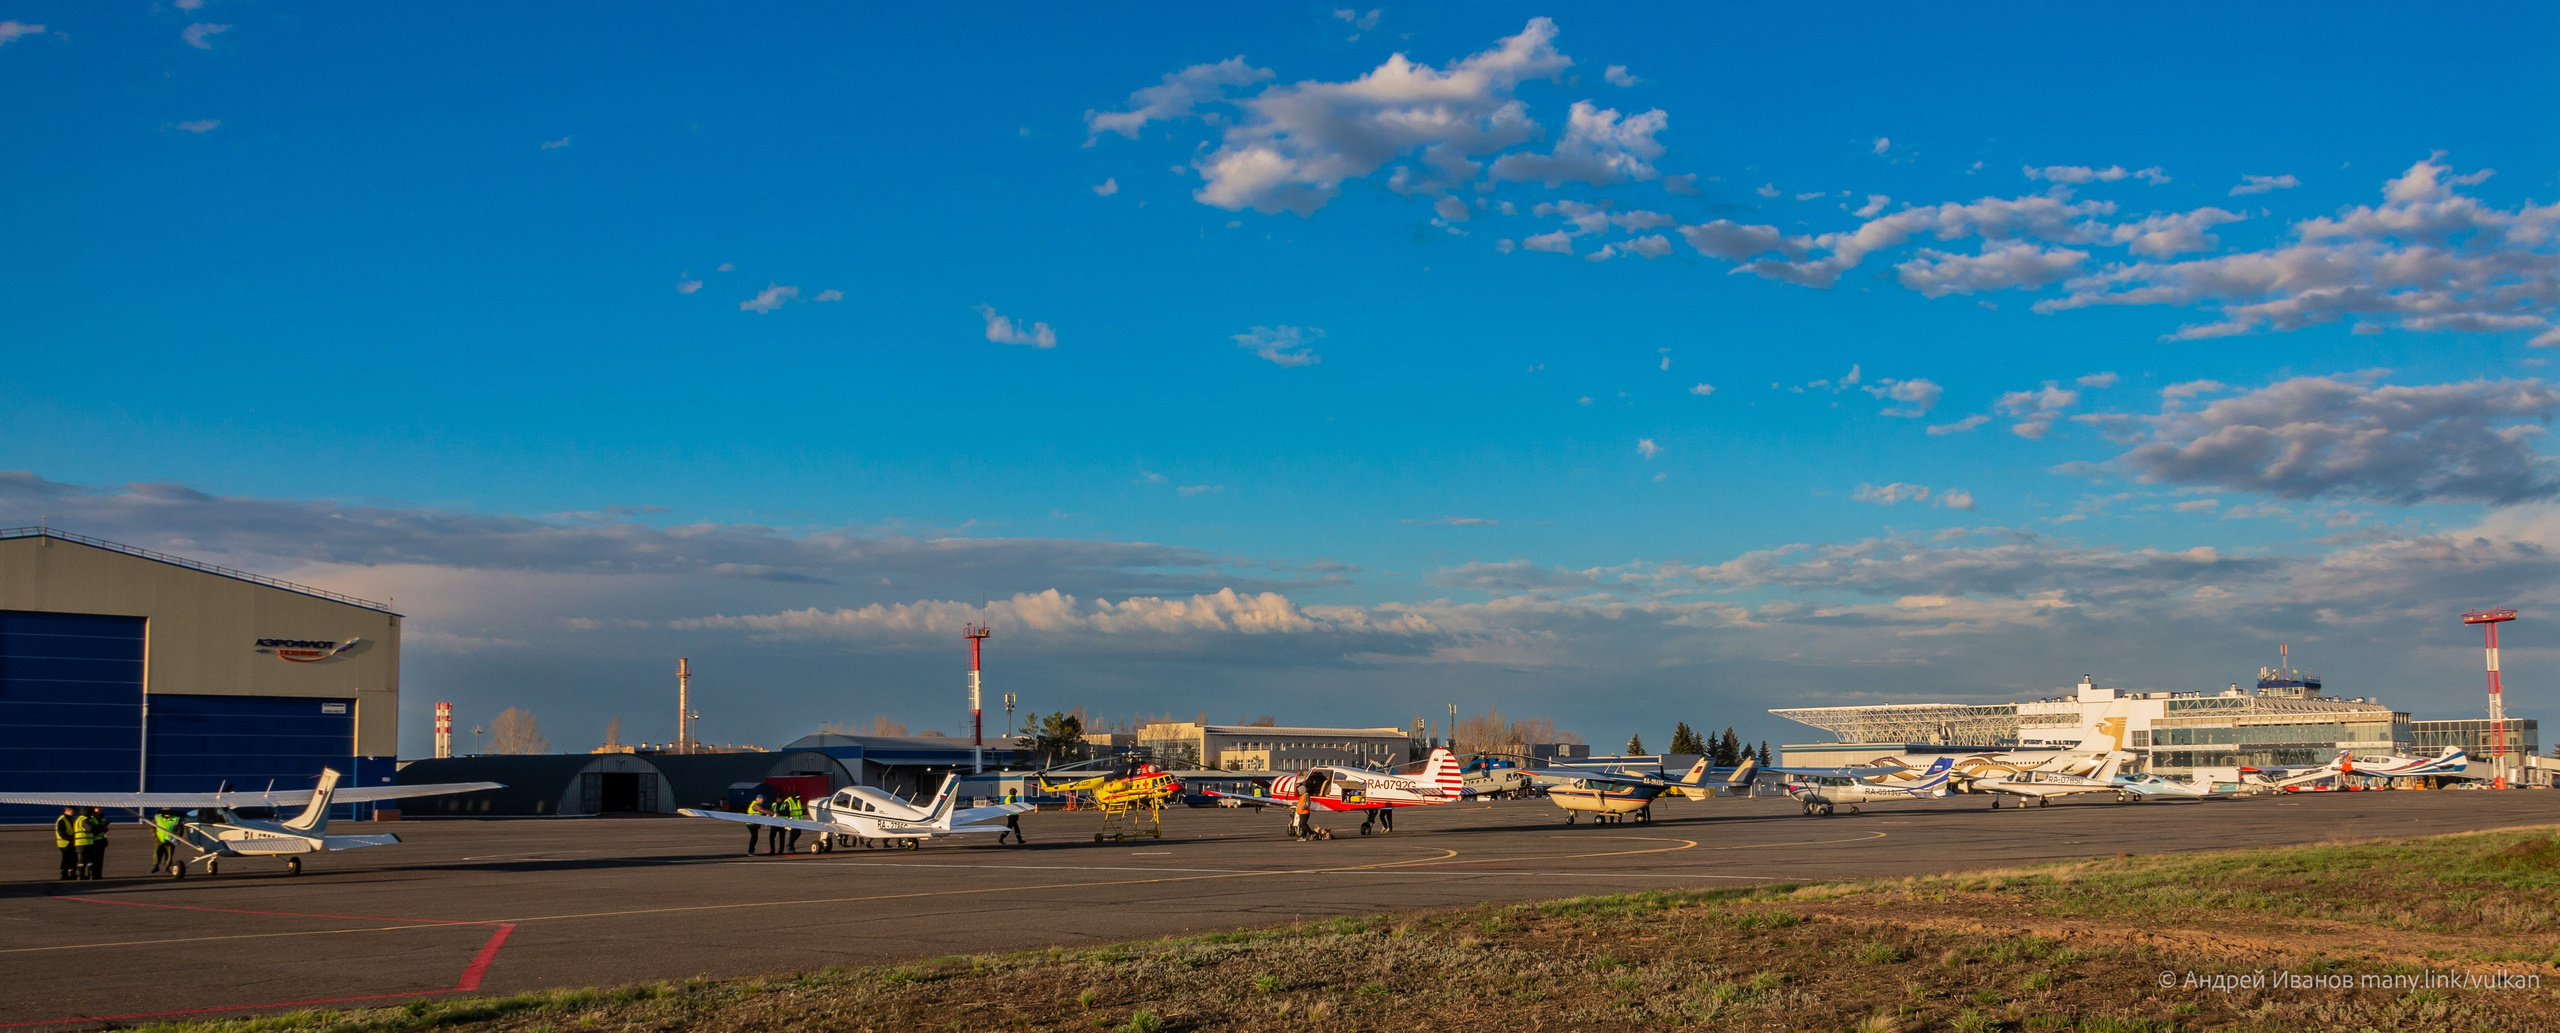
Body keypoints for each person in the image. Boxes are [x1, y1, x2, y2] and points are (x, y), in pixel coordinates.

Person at [73, 807, 105, 880]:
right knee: (84, 860)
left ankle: (84, 874)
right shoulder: (84, 819)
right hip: (85, 842)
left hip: (80, 843)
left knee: (85, 860)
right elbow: (90, 828)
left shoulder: (78, 819)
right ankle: (82, 875)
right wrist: (99, 828)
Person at [152, 809, 182, 873]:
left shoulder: (176, 819)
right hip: (159, 839)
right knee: (157, 853)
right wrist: (155, 835)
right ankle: (156, 866)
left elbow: (180, 829)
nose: (168, 813)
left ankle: (167, 867)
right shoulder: (158, 817)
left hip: (170, 840)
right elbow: (153, 826)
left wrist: (177, 838)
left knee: (169, 854)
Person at [54, 807, 77, 881]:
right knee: (66, 859)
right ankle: (64, 874)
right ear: (66, 810)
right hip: (64, 843)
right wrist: (70, 839)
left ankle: (71, 873)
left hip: (68, 842)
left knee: (72, 859)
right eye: (71, 811)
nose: (73, 813)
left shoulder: (68, 819)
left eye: (73, 811)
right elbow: (61, 832)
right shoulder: (62, 819)